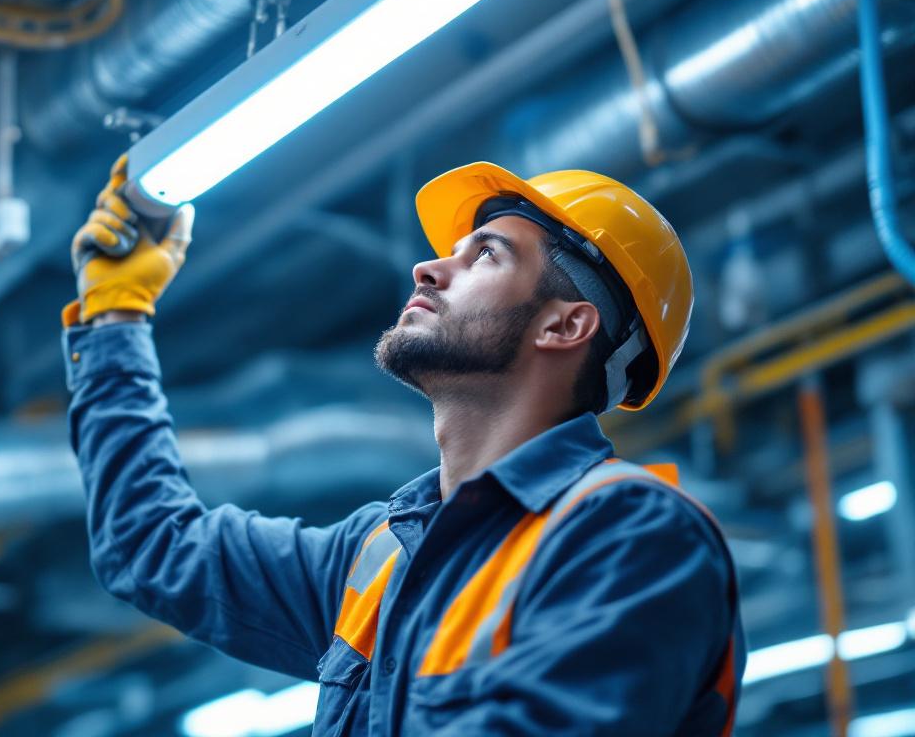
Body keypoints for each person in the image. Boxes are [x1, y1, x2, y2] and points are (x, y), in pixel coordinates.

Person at [59, 156, 743, 735]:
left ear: (565, 326)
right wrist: (115, 315)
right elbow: (150, 546)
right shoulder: (382, 556)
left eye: (485, 255)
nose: (427, 268)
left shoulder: (627, 531)